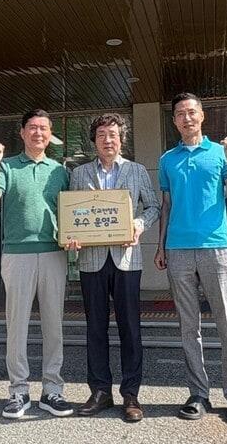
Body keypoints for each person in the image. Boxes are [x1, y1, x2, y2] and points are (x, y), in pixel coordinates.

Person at [154, 92, 227, 425]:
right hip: (178, 249)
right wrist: (160, 246)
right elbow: (165, 206)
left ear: (202, 116)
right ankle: (198, 393)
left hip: (216, 247)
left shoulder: (220, 153)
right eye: (180, 113)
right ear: (175, 120)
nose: (187, 118)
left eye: (192, 112)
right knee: (187, 327)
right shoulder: (167, 159)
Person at [64, 113, 159, 422]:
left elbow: (154, 206)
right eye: (102, 134)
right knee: (95, 328)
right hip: (91, 260)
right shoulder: (78, 173)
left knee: (130, 328)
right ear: (94, 140)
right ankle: (100, 391)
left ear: (122, 139)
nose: (108, 140)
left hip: (127, 259)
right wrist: (71, 236)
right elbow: (73, 214)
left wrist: (139, 224)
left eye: (113, 134)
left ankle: (131, 394)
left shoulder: (137, 170)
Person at [0, 109, 73, 419]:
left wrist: (74, 236)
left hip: (53, 253)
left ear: (50, 135)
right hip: (16, 254)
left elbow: (71, 214)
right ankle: (18, 391)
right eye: (32, 128)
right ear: (22, 133)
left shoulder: (60, 171)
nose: (38, 133)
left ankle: (52, 390)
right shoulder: (8, 166)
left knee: (54, 325)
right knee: (16, 325)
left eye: (43, 128)